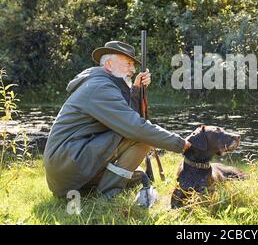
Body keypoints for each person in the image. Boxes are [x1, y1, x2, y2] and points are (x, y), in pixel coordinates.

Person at [43, 40, 191, 205]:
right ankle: (107, 196)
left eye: (133, 65)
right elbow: (134, 127)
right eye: (128, 64)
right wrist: (181, 144)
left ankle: (97, 188)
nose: (133, 70)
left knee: (137, 173)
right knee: (143, 139)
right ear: (108, 64)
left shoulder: (103, 83)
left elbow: (126, 119)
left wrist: (135, 90)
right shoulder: (100, 88)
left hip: (68, 165)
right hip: (68, 166)